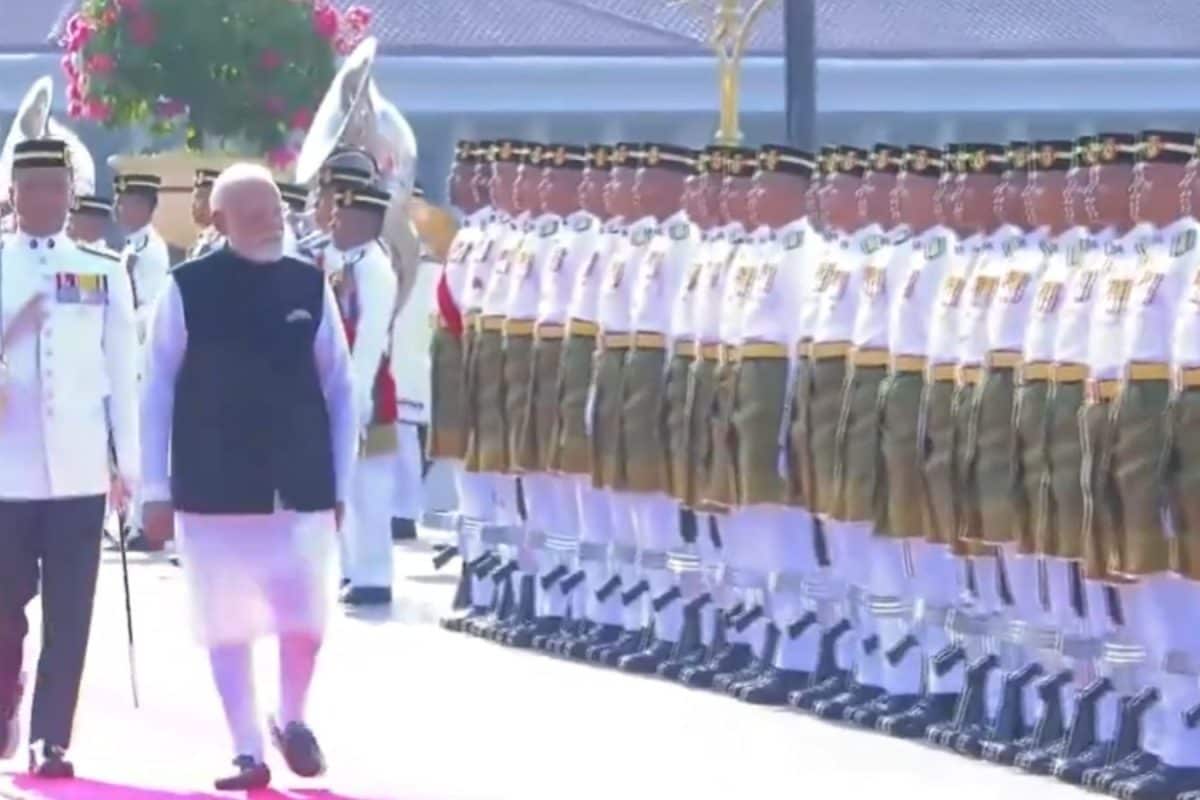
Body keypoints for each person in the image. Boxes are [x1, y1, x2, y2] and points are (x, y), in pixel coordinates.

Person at [140, 163, 356, 790]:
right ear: (220, 219)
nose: (272, 224)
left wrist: (339, 485)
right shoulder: (187, 288)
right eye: (256, 215)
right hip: (215, 486)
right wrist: (155, 489)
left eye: (277, 214)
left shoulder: (307, 286)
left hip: (300, 485)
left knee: (306, 624)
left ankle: (291, 719)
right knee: (226, 624)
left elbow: (340, 390)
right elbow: (155, 389)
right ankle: (244, 751)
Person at [0, 138, 139, 778]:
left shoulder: (101, 268)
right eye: (33, 189)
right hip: (7, 471)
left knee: (70, 611)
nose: (46, 201)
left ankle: (50, 739)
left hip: (80, 468)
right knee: (3, 611)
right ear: (13, 195)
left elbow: (120, 369)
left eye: (56, 189)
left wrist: (128, 465)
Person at [328, 184, 400, 607]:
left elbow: (371, 333)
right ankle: (353, 568)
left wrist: (357, 392)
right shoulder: (346, 264)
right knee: (349, 487)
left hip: (369, 386)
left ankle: (374, 574)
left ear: (366, 223)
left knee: (371, 491)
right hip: (344, 384)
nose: (334, 223)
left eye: (343, 216)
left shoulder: (375, 268)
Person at [189, 169, 223, 259]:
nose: (193, 205)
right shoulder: (204, 238)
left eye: (199, 198)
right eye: (194, 198)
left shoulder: (220, 244)